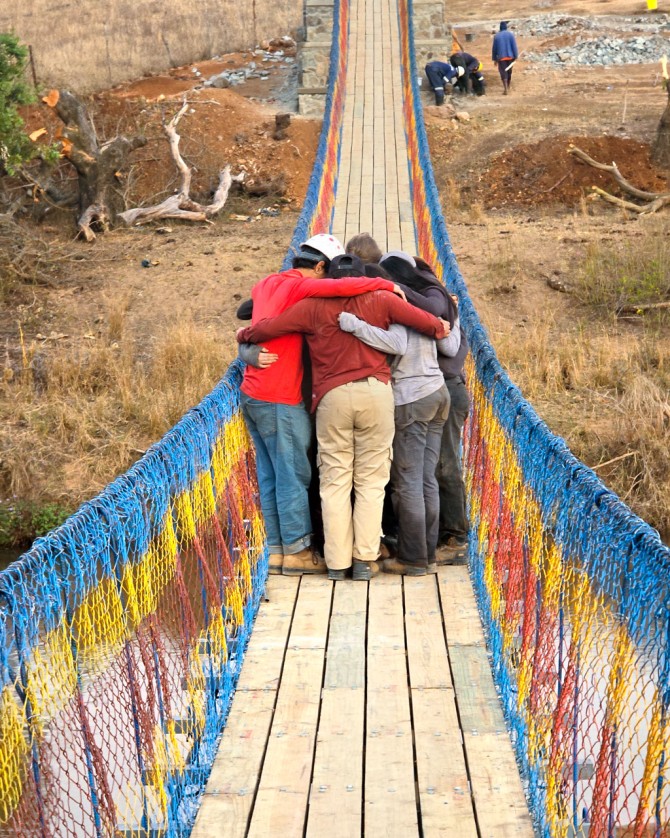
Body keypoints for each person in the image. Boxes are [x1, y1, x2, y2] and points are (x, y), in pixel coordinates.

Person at [236, 276, 448, 582]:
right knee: (372, 482)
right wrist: (441, 325)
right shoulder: (381, 299)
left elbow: (268, 328)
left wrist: (244, 336)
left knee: (334, 482)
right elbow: (428, 323)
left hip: (331, 398)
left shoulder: (309, 306)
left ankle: (336, 563)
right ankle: (364, 560)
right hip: (376, 395)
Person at [239, 233, 403, 577]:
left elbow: (252, 320)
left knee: (270, 476)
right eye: (326, 272)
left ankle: (277, 551)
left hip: (253, 392)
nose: (328, 280)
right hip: (282, 397)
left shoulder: (265, 283)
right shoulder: (303, 288)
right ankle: (298, 551)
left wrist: (244, 347)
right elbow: (345, 289)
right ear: (318, 266)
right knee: (293, 475)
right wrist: (388, 287)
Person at [339, 251, 455, 576]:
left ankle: (413, 558)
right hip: (437, 392)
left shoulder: (397, 305)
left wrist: (355, 325)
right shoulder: (422, 304)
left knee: (408, 482)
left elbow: (397, 343)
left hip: (412, 399)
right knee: (425, 478)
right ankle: (427, 554)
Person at [492, 21, 518, 95]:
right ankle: (508, 86)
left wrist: (494, 59)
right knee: (509, 72)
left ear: (500, 27)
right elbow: (514, 46)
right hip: (510, 57)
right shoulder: (511, 35)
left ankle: (506, 88)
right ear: (506, 27)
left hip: (501, 58)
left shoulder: (497, 36)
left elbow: (494, 49)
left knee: (503, 73)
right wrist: (516, 56)